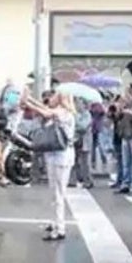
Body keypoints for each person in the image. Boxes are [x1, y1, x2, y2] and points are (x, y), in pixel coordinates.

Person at [22, 89, 77, 241]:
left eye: (54, 96)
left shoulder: (65, 113)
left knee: (59, 193)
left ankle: (60, 228)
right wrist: (30, 100)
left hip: (61, 156)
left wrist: (28, 102)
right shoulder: (60, 111)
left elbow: (46, 113)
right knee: (54, 191)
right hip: (54, 155)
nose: (51, 98)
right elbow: (44, 109)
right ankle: (56, 222)